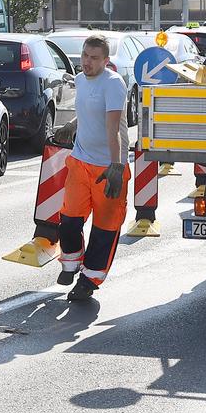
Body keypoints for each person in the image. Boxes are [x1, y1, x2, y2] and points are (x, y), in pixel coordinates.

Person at [56, 34, 130, 301]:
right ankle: (72, 263)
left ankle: (89, 280)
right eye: (85, 55)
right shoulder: (79, 80)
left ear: (106, 61)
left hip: (108, 168)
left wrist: (117, 167)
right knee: (69, 221)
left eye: (94, 58)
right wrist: (72, 125)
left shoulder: (113, 84)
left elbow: (114, 130)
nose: (87, 62)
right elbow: (89, 111)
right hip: (80, 162)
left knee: (104, 229)